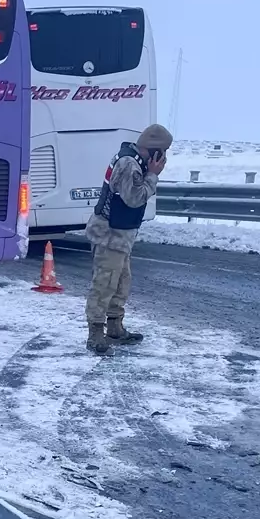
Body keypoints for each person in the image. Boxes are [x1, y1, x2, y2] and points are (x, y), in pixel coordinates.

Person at [83, 123, 173, 354]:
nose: (164, 157)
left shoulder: (133, 161)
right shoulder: (129, 164)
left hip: (120, 233)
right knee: (104, 283)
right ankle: (95, 333)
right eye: (163, 152)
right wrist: (153, 176)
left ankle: (114, 327)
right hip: (109, 234)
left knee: (121, 282)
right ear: (155, 151)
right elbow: (134, 198)